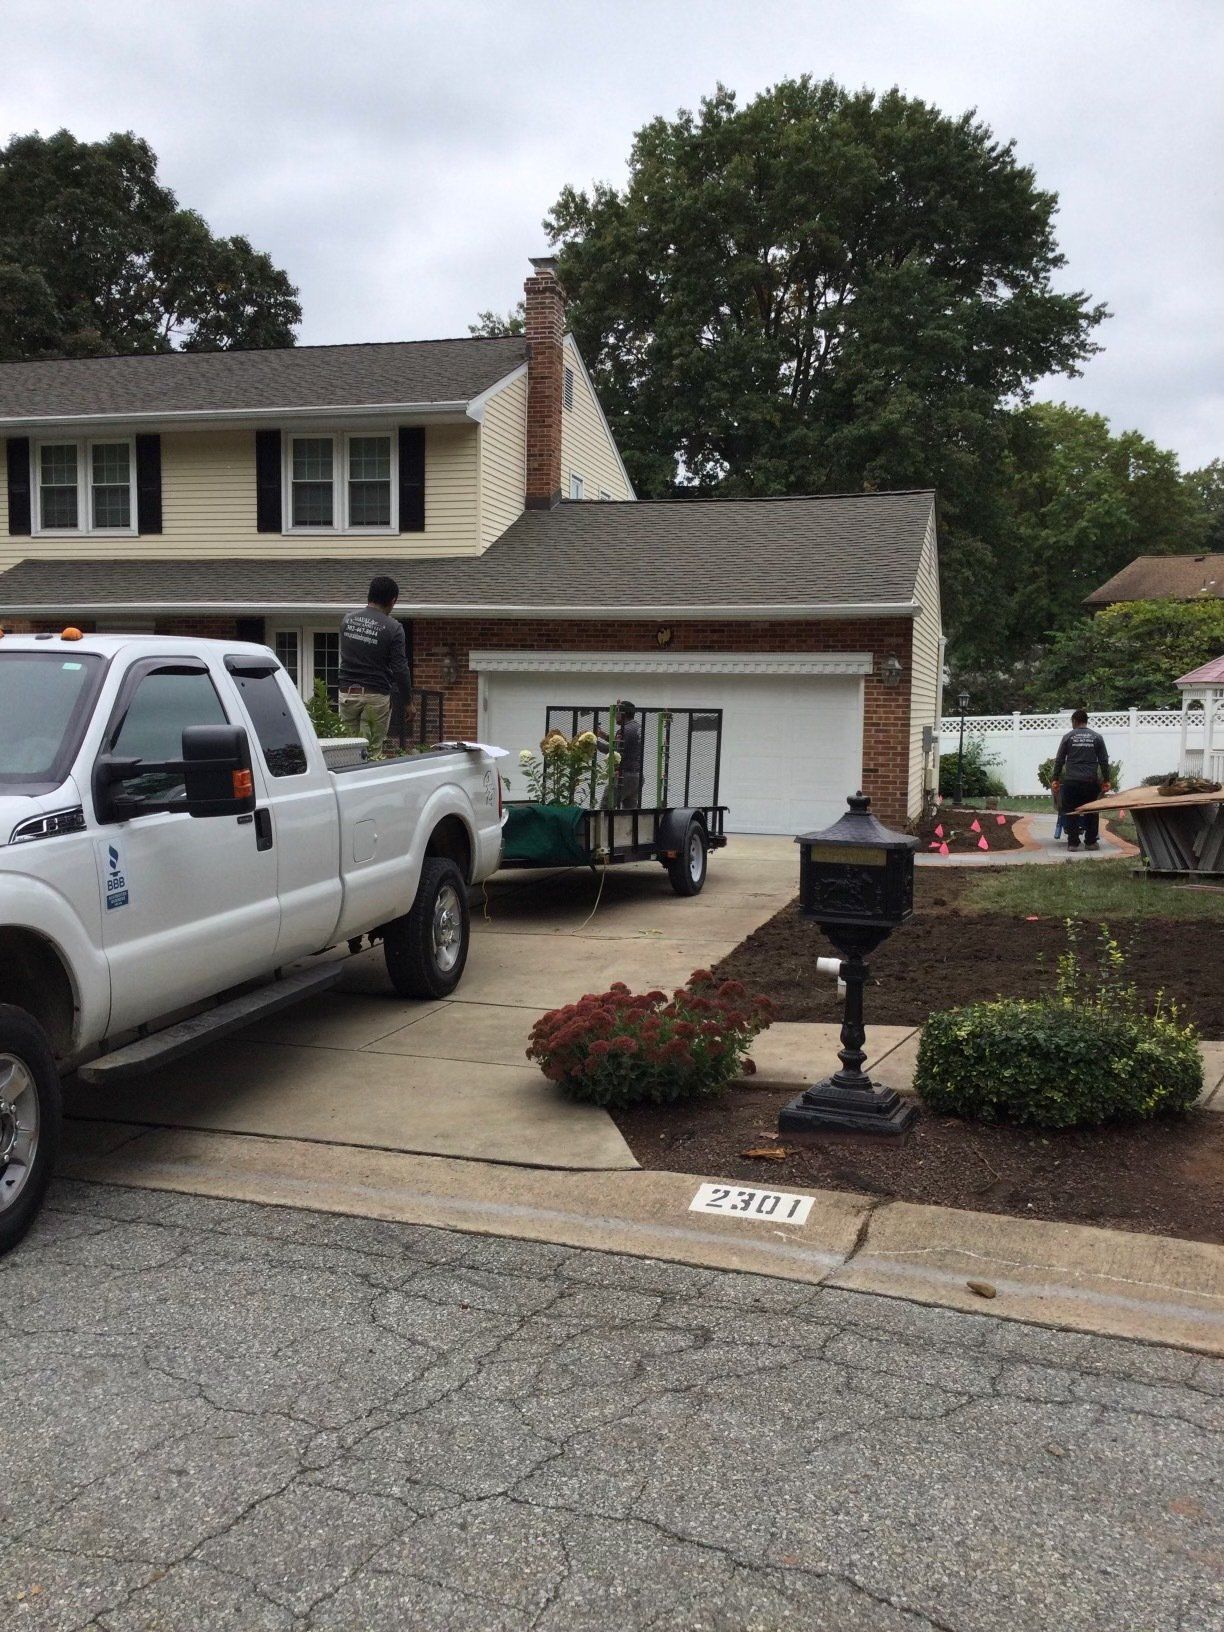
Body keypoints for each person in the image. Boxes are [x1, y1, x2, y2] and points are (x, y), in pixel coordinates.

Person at [337, 576, 412, 758]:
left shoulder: (347, 620)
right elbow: (400, 668)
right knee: (371, 752)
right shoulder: (394, 628)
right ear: (392, 600)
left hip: (347, 694)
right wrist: (408, 702)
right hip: (375, 695)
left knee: (346, 751)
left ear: (369, 596)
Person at [1051, 708, 1111, 851]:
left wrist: (1055, 778)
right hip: (1091, 782)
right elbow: (1103, 760)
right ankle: (1090, 842)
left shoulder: (1068, 737)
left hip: (1072, 781)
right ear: (1085, 721)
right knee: (1091, 811)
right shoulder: (1097, 737)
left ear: (1074, 721)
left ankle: (1073, 843)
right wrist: (1106, 779)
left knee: (1071, 811)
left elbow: (1059, 760)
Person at [597, 700, 644, 809]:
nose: (615, 716)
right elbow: (623, 745)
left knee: (606, 807)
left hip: (625, 776)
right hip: (637, 777)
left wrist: (595, 743)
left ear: (623, 713)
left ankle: (605, 827)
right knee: (629, 812)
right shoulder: (637, 727)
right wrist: (604, 736)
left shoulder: (624, 730)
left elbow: (614, 752)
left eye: (616, 712)